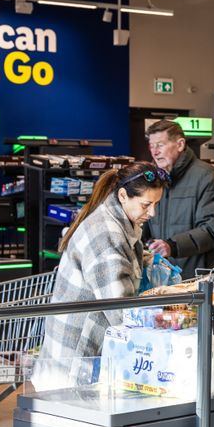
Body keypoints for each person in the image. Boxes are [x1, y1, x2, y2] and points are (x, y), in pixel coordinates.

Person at [35, 162, 167, 391]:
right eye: (146, 204)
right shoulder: (107, 236)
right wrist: (165, 323)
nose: (152, 213)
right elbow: (120, 311)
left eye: (156, 204)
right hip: (72, 367)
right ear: (123, 195)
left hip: (73, 358)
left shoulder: (118, 221)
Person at [143, 119, 214, 280]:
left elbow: (212, 229)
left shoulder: (206, 176)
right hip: (163, 278)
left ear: (180, 145)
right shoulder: (154, 178)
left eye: (160, 145)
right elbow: (146, 223)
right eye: (151, 146)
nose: (155, 152)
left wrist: (172, 246)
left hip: (199, 279)